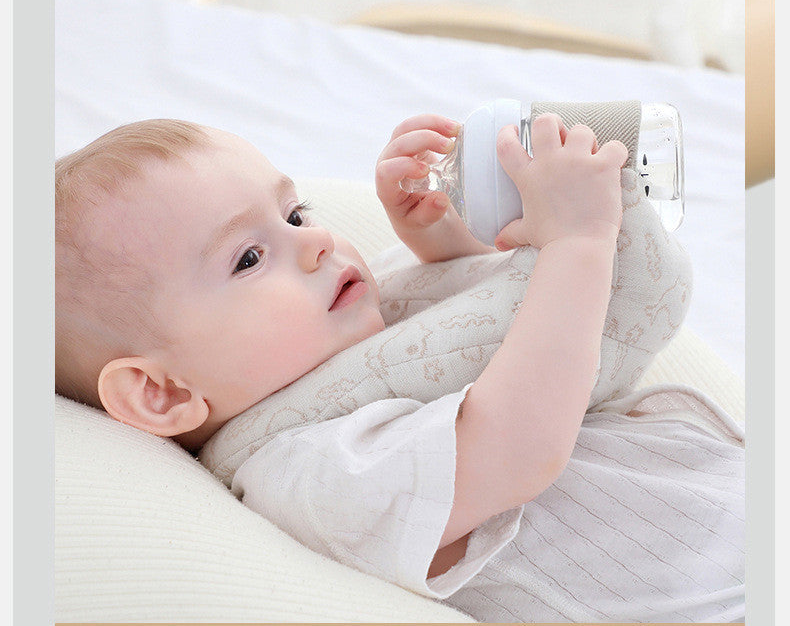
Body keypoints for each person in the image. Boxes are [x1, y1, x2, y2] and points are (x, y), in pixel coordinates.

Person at [56, 113, 744, 623]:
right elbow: (513, 445)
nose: (317, 242)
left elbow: (473, 331)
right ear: (160, 392)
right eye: (247, 258)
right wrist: (578, 243)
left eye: (296, 213)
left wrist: (442, 244)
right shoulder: (305, 470)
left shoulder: (341, 341)